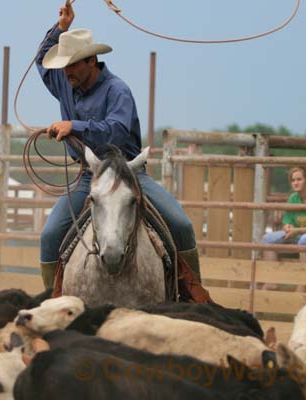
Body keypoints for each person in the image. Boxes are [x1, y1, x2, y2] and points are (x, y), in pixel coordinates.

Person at [36, 2, 199, 289]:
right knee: (50, 235)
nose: (65, 72)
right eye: (63, 66)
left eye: (72, 64)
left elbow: (116, 133)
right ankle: (52, 298)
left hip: (129, 174)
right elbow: (40, 61)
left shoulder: (117, 90)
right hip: (89, 176)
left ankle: (193, 293)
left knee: (181, 225)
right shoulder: (66, 82)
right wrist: (60, 27)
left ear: (91, 61)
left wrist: (74, 126)